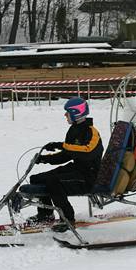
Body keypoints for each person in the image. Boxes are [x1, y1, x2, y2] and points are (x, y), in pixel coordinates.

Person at [25, 97, 104, 232]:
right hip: (76, 169)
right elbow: (67, 155)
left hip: (88, 176)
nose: (65, 115)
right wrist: (44, 159)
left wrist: (61, 145)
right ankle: (46, 215)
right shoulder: (74, 130)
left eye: (67, 112)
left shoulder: (91, 131)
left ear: (75, 112)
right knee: (36, 178)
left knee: (53, 181)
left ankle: (67, 219)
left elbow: (87, 151)